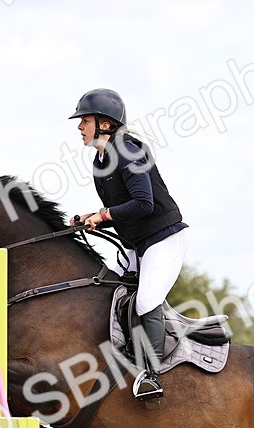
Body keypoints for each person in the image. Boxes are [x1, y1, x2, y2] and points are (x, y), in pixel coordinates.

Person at [71, 88, 188, 404]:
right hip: (138, 246)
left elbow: (144, 204)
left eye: (85, 121)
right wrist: (91, 218)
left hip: (164, 240)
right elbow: (121, 210)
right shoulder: (100, 162)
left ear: (105, 124)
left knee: (146, 300)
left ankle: (152, 376)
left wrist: (103, 214)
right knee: (110, 294)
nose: (80, 127)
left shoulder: (129, 151)